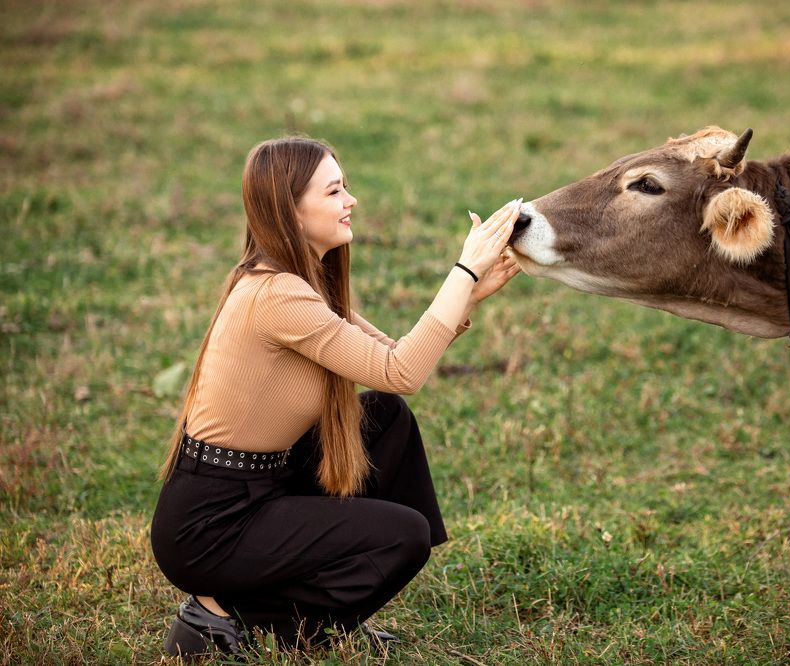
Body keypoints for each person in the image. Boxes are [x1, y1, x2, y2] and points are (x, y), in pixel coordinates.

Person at [149, 136, 522, 658]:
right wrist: (461, 272)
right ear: (292, 211)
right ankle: (230, 617)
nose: (351, 201)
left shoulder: (301, 285)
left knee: (384, 418)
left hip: (266, 488)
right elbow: (402, 370)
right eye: (335, 191)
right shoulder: (277, 294)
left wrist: (468, 294)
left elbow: (389, 359)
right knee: (401, 536)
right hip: (212, 524)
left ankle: (318, 612)